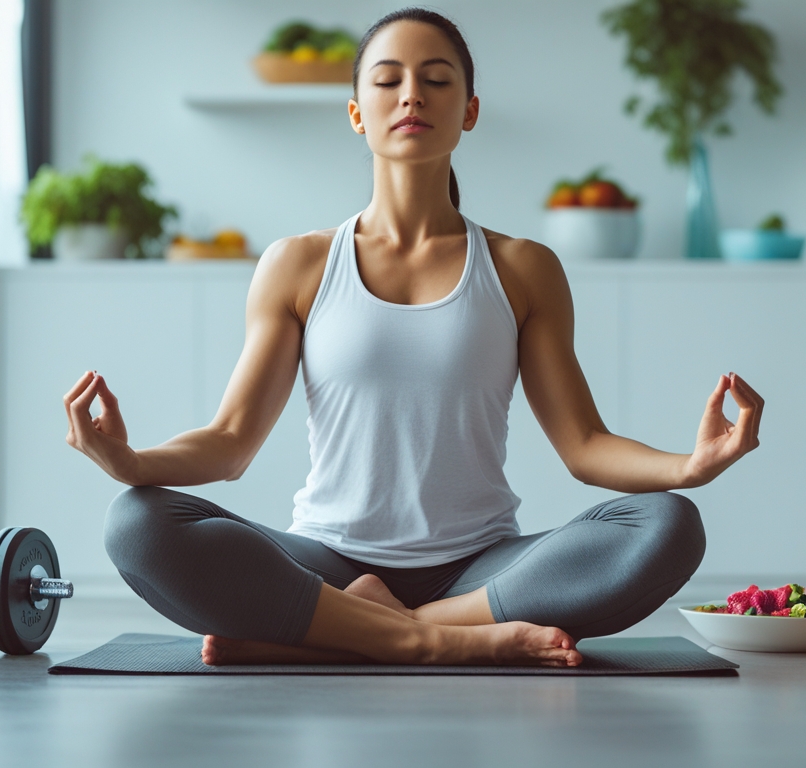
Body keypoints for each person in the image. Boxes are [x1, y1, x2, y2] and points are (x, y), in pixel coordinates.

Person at [63, 7, 763, 668]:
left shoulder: (524, 268)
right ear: (356, 113)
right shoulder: (298, 264)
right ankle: (438, 642)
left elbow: (584, 446)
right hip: (325, 559)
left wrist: (688, 467)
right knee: (137, 524)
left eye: (436, 80)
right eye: (388, 80)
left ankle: (336, 634)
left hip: (482, 568)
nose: (412, 97)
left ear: (469, 112)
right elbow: (230, 441)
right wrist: (132, 461)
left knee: (669, 524)